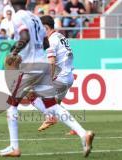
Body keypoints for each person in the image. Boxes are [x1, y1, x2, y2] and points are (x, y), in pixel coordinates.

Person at [31, 15, 95, 157]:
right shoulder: (60, 36)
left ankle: (49, 117)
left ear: (45, 27)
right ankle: (78, 131)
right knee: (56, 105)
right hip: (68, 76)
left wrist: (49, 78)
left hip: (60, 77)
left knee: (30, 92)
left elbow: (52, 61)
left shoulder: (50, 40)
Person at [0, 0, 53, 157]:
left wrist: (15, 52)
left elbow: (25, 37)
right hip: (41, 63)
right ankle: (80, 131)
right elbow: (45, 42)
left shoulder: (18, 17)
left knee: (12, 103)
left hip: (30, 65)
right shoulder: (34, 16)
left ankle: (15, 147)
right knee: (36, 96)